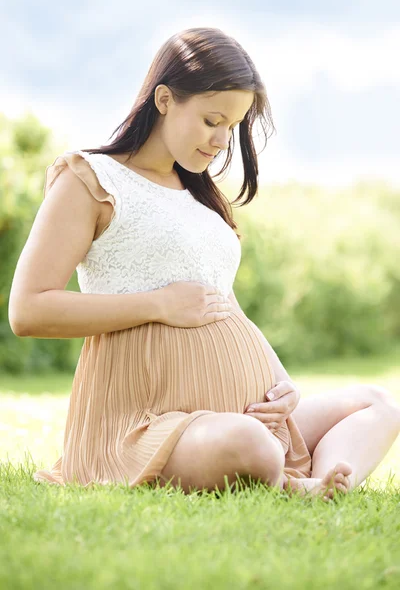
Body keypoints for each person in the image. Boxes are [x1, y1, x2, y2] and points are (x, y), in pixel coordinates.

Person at [9, 27, 400, 501]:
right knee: (249, 443)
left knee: (377, 404)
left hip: (245, 414)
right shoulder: (91, 179)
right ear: (165, 99)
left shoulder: (199, 198)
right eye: (212, 120)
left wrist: (282, 384)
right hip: (147, 424)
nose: (221, 141)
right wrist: (157, 304)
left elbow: (223, 302)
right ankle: (285, 477)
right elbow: (29, 310)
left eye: (231, 126)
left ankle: (325, 484)